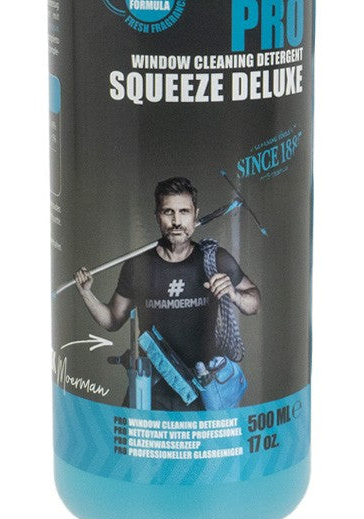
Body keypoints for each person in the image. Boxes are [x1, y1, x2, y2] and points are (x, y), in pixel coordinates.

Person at [74, 176, 260, 410]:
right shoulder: (137, 265)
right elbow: (112, 320)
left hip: (203, 389)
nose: (176, 221)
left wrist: (234, 295)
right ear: (157, 216)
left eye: (184, 212)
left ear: (195, 214)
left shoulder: (215, 259)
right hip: (150, 387)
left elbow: (254, 302)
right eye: (168, 212)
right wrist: (86, 293)